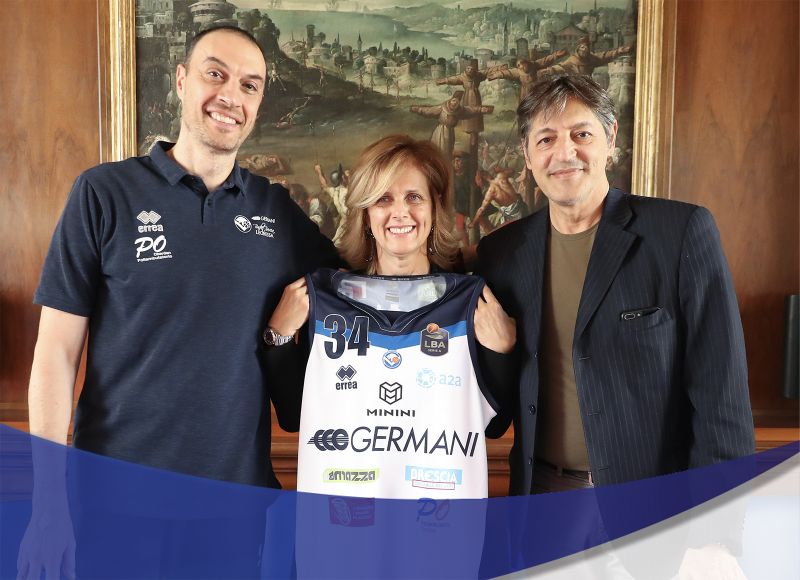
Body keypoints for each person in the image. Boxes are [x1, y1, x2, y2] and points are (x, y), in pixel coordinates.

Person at [21, 25, 340, 578]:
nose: (230, 96)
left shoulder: (277, 212)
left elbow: (364, 284)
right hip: (112, 502)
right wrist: (47, 507)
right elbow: (55, 354)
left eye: (249, 85)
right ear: (181, 80)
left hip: (231, 510)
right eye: (215, 74)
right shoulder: (103, 193)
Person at [476, 74, 755, 496]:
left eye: (581, 134)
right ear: (527, 156)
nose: (564, 152)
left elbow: (723, 398)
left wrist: (713, 524)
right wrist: (501, 351)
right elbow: (494, 418)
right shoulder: (501, 254)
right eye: (546, 139)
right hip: (540, 500)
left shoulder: (679, 233)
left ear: (610, 139)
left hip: (652, 505)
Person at [264, 134, 517, 500]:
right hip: (341, 526)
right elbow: (293, 416)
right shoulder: (325, 301)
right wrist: (279, 335)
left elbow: (494, 426)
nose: (400, 212)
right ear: (366, 214)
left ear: (434, 208)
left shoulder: (471, 302)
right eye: (383, 199)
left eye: (414, 197)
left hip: (439, 526)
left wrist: (503, 351)